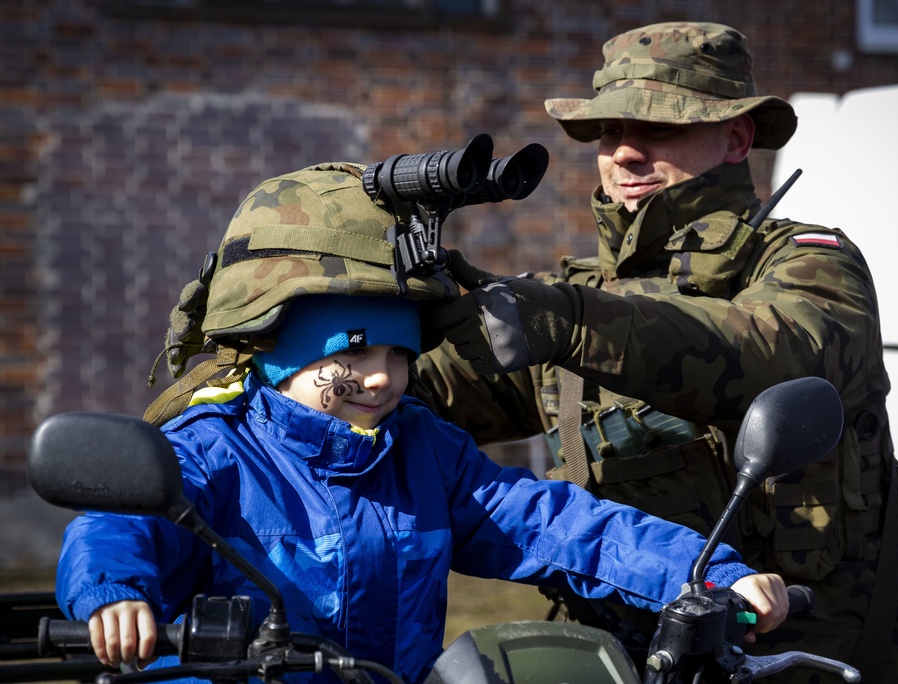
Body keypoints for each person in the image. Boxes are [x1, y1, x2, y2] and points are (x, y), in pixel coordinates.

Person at [54, 162, 789, 684]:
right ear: (271, 343)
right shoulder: (214, 452)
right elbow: (117, 523)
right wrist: (115, 591)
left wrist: (703, 573)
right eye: (354, 349)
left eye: (400, 353)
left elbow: (554, 523)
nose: (383, 376)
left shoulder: (422, 452)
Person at [411, 21, 898, 684]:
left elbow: (777, 349)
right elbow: (426, 396)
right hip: (636, 654)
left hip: (820, 654)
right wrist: (370, 340)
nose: (624, 153)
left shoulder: (805, 262)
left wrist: (569, 322)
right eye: (608, 132)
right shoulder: (571, 296)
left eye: (658, 128)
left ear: (737, 136)